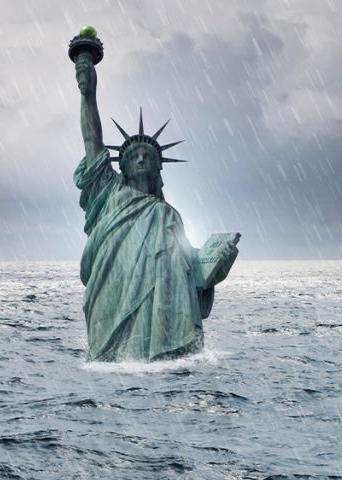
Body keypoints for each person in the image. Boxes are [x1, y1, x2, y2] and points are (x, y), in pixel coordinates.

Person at [73, 51, 235, 361]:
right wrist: (88, 94)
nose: (141, 159)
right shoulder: (110, 192)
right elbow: (92, 140)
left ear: (158, 167)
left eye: (147, 156)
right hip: (114, 293)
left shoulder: (168, 214)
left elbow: (188, 267)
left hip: (161, 316)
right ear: (123, 167)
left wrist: (217, 262)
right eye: (133, 156)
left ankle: (165, 349)